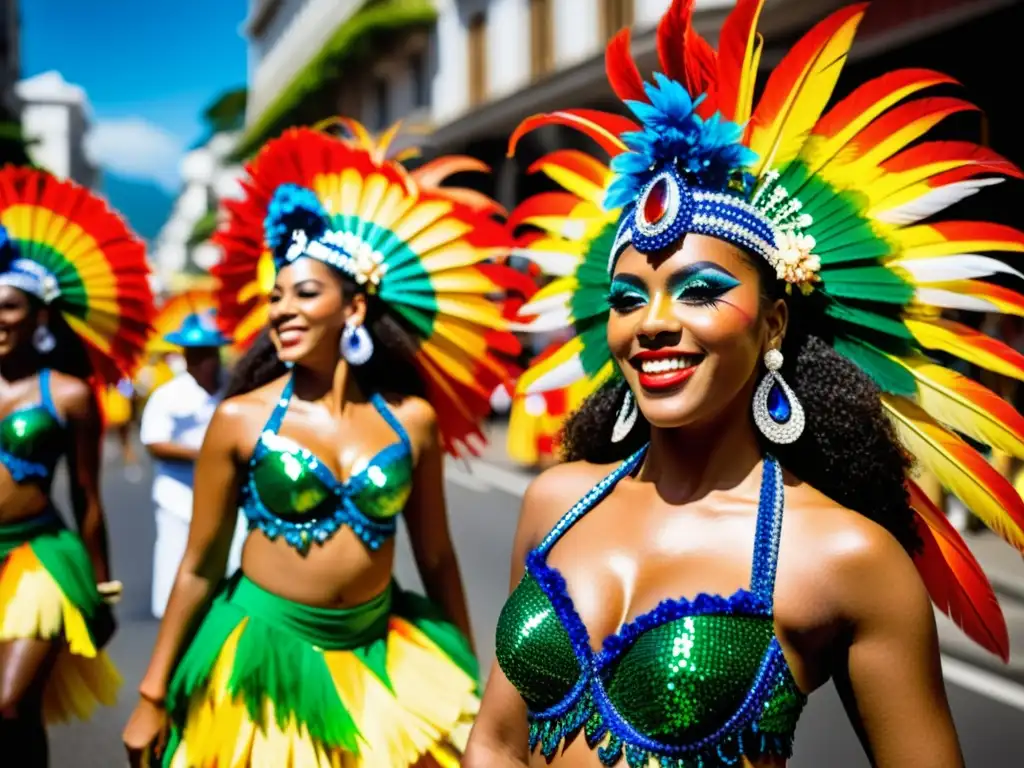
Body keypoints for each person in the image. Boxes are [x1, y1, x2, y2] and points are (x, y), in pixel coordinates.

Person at [465, 1, 1024, 766]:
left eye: (698, 291)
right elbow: (496, 741)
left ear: (772, 325)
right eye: (627, 300)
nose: (651, 323)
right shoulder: (555, 501)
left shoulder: (845, 557)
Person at [123, 120, 528, 767]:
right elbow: (198, 567)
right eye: (275, 296)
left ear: (355, 309)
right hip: (263, 654)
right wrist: (151, 692)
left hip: (379, 655)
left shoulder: (412, 420)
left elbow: (438, 558)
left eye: (304, 293)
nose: (281, 308)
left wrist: (471, 673)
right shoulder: (240, 418)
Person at [0, 166, 154, 762]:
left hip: (38, 559)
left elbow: (89, 498)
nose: (0, 318)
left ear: (40, 316)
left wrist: (103, 587)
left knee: (11, 704)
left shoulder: (67, 394)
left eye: (11, 306)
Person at [140, 309, 245, 619]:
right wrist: (207, 455)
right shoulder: (167, 396)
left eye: (206, 355)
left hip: (229, 496)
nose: (199, 362)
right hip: (179, 496)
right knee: (176, 565)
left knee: (237, 560)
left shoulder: (236, 391)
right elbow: (154, 442)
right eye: (193, 355)